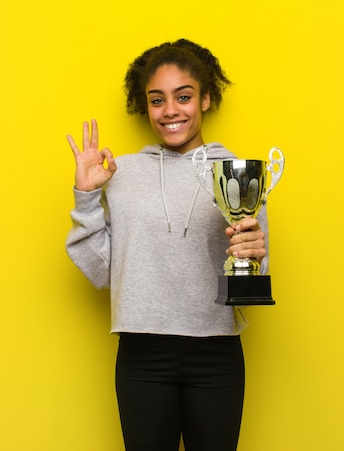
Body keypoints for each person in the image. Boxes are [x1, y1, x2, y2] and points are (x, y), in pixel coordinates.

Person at [65, 38, 270, 451]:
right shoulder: (121, 173)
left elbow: (255, 276)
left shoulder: (239, 172)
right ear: (146, 107)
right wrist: (86, 196)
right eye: (157, 100)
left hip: (216, 353)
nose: (171, 110)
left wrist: (254, 255)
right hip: (142, 353)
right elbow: (101, 273)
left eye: (184, 96)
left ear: (205, 99)